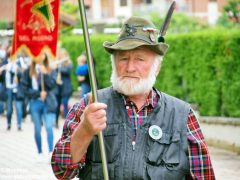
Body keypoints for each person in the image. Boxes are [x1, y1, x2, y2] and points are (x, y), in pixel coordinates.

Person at [51, 17, 215, 179]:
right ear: (114, 63)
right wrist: (85, 130)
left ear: (157, 67)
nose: (130, 67)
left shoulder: (182, 114)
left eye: (139, 59)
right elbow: (61, 171)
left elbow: (204, 176)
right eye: (123, 58)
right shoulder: (91, 104)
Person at [22, 53, 57, 162]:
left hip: (48, 102)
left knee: (49, 127)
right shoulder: (28, 71)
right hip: (35, 103)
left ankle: (51, 151)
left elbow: (52, 85)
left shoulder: (50, 69)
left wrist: (45, 74)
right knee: (37, 128)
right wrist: (37, 93)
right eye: (38, 54)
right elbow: (24, 89)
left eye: (43, 54)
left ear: (46, 56)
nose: (40, 56)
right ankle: (39, 152)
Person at [52, 48, 73, 128]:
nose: (61, 56)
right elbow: (53, 73)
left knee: (65, 104)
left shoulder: (69, 63)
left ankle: (68, 123)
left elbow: (66, 71)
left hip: (66, 88)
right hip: (58, 88)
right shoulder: (57, 64)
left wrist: (59, 66)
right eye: (60, 55)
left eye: (63, 55)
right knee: (57, 105)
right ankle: (56, 122)